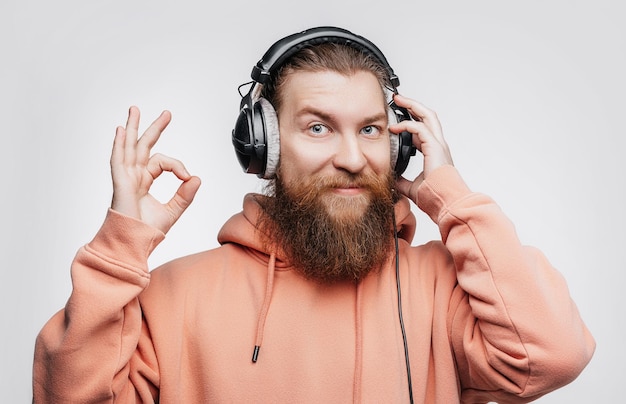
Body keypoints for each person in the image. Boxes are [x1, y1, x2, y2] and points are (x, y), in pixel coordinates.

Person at [33, 26, 595, 403]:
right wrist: (118, 250)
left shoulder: (444, 288)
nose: (352, 158)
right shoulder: (168, 296)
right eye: (318, 127)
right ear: (265, 148)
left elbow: (552, 356)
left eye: (371, 130)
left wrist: (451, 196)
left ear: (400, 146)